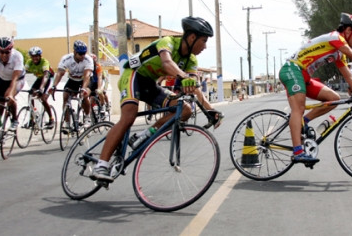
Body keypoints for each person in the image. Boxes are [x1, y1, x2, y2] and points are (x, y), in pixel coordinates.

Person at [91, 16, 223, 182]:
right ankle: (101, 165)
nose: (205, 46)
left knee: (186, 110)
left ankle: (143, 135)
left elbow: (195, 88)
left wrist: (210, 110)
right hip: (133, 76)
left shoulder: (191, 60)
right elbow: (167, 63)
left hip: (150, 84)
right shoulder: (167, 42)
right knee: (129, 116)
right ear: (191, 37)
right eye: (203, 41)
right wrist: (183, 76)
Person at [279, 13, 352, 164]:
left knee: (334, 99)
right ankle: (298, 152)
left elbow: (349, 77)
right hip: (292, 69)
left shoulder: (338, 53)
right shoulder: (335, 37)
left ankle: (303, 122)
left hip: (304, 76)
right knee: (299, 107)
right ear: (348, 30)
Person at [47, 40, 93, 130]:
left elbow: (87, 75)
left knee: (85, 95)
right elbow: (60, 73)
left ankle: (87, 117)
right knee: (65, 96)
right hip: (73, 80)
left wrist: (83, 89)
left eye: (84, 53)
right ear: (74, 52)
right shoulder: (66, 59)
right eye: (80, 54)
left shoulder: (88, 59)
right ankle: (67, 122)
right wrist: (54, 86)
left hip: (84, 79)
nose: (82, 56)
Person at [0, 37, 26, 133]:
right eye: (1, 52)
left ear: (11, 50)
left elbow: (15, 78)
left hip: (17, 79)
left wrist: (10, 94)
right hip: (3, 79)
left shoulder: (17, 57)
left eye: (7, 52)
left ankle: (14, 119)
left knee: (8, 96)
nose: (4, 55)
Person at [25, 46, 55, 128]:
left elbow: (46, 75)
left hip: (48, 79)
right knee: (30, 95)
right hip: (39, 79)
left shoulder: (44, 62)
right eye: (33, 56)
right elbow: (22, 72)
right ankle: (32, 119)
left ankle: (51, 119)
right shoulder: (29, 62)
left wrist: (41, 89)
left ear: (40, 56)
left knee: (43, 98)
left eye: (37, 56)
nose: (35, 58)